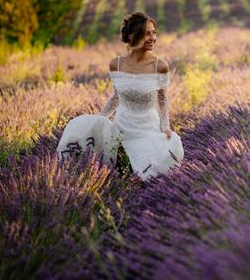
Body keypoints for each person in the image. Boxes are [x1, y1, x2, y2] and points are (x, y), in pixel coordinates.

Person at [57, 12, 184, 180]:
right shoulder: (116, 64)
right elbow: (116, 97)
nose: (153, 37)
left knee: (166, 150)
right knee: (85, 132)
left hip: (147, 128)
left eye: (154, 32)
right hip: (122, 126)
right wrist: (99, 119)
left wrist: (165, 127)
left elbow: (162, 99)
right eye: (147, 33)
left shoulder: (160, 66)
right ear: (132, 36)